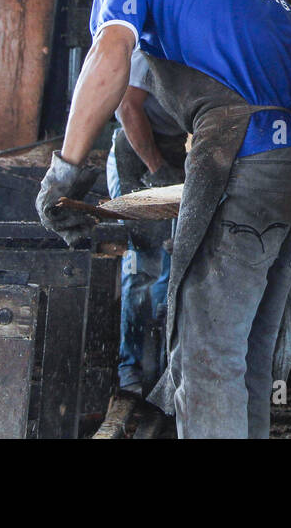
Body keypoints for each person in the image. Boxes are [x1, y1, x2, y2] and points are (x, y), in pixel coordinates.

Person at [35, 0, 291, 438]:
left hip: (245, 161)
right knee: (246, 352)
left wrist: (66, 171)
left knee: (205, 356)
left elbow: (110, 58)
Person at [107, 48, 186, 399]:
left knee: (171, 263)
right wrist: (155, 168)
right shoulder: (150, 50)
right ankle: (131, 368)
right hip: (137, 154)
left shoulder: (195, 54)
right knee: (143, 266)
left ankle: (161, 364)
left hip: (172, 153)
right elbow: (126, 107)